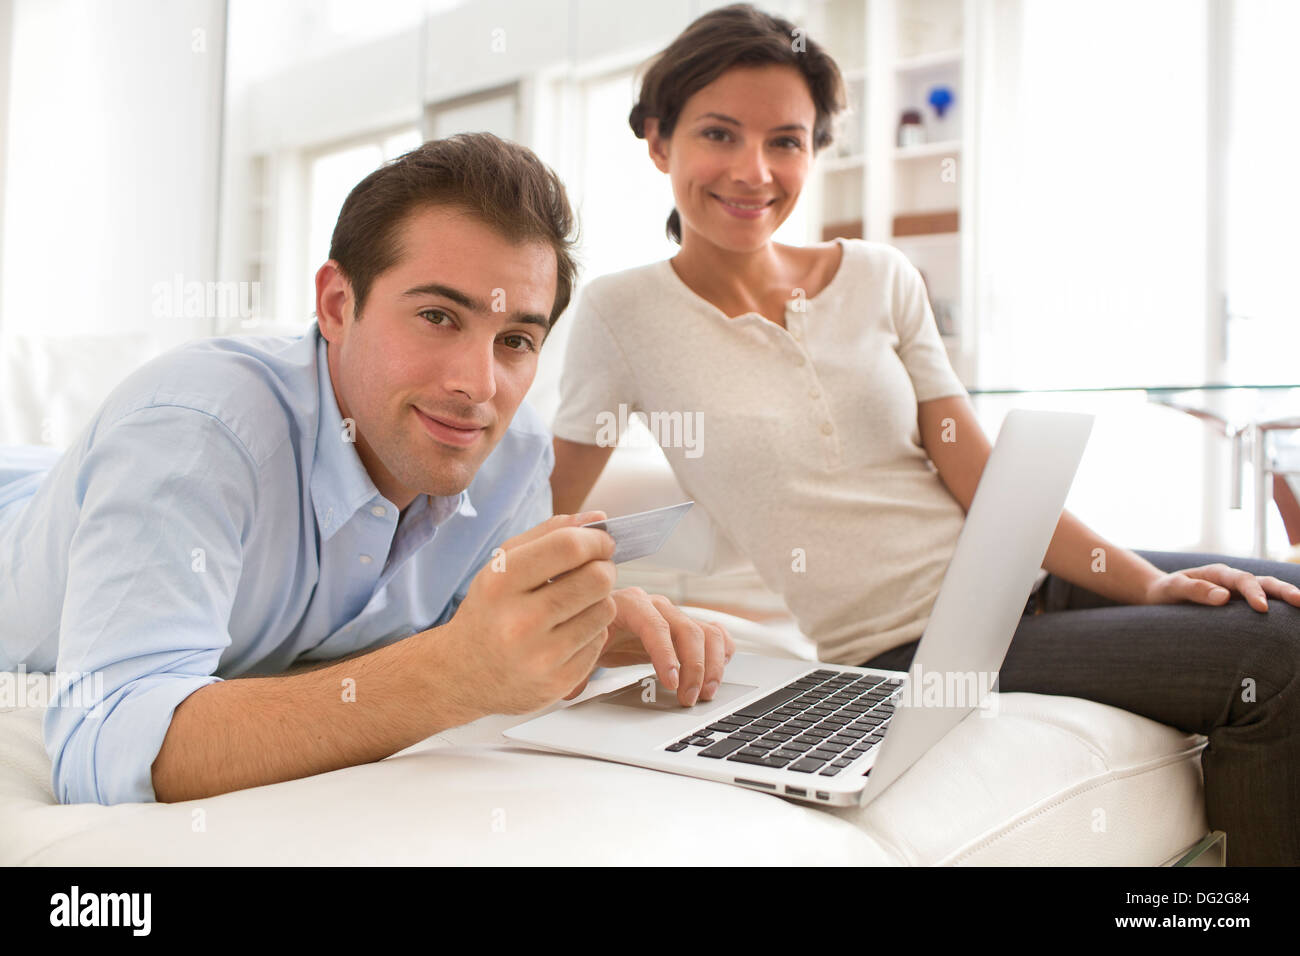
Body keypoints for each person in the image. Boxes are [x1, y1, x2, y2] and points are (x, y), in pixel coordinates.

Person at [547, 3, 1300, 866]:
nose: (753, 171)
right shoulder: (621, 313)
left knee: (1282, 596)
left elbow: (981, 475)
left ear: (815, 152)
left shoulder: (880, 276)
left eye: (786, 141)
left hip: (1023, 581)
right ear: (657, 141)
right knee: (1275, 656)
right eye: (719, 134)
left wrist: (1140, 582)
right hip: (909, 645)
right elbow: (553, 513)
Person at [0, 132, 732, 807]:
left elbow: (462, 626)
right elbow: (105, 747)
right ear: (337, 303)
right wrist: (452, 675)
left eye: (514, 339)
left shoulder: (510, 456)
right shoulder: (194, 436)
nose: (478, 386)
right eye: (439, 317)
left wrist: (570, 633)